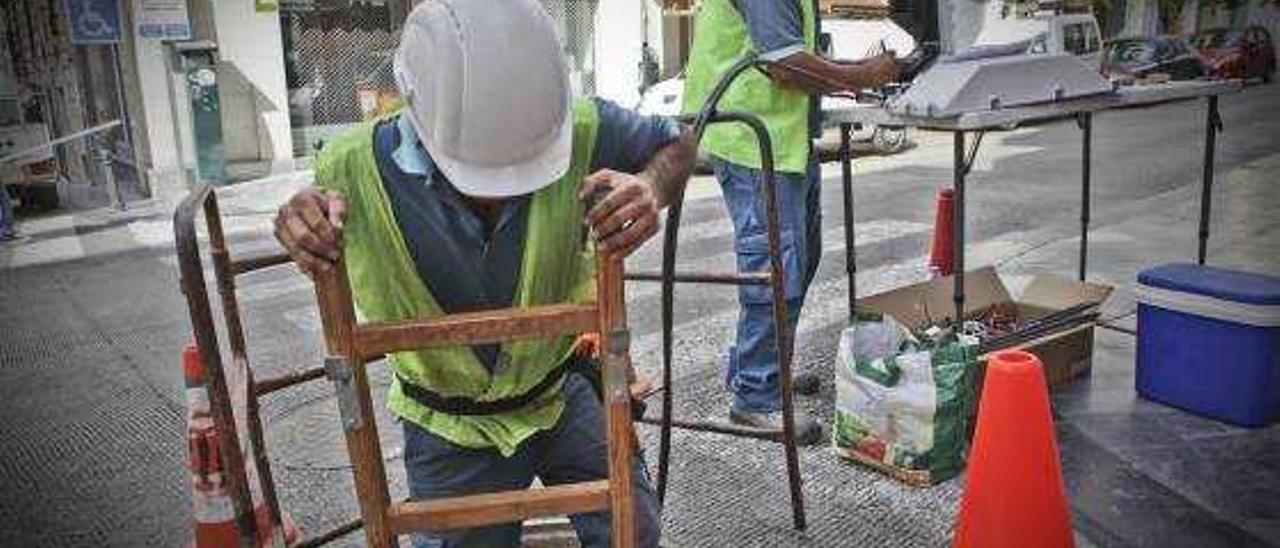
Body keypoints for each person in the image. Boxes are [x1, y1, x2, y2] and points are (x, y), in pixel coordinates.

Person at [273, 1, 694, 546]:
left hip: (558, 391)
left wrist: (653, 188)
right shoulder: (351, 168)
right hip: (450, 425)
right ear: (415, 109)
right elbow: (309, 216)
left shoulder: (585, 125)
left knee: (633, 529)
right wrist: (299, 222)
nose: (507, 189)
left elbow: (679, 143)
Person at [681, 0, 899, 443]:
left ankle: (758, 368)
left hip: (781, 139)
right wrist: (864, 77)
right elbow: (784, 66)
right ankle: (755, 397)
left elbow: (792, 52)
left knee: (800, 257)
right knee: (776, 269)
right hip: (751, 136)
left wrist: (857, 69)